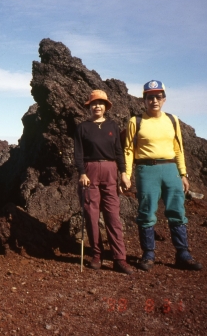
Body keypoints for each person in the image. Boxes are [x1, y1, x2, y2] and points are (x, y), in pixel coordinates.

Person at [123, 80, 202, 271]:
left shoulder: (173, 120)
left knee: (177, 211)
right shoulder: (136, 121)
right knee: (146, 212)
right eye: (150, 97)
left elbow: (178, 148)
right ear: (144, 100)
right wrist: (126, 174)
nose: (154, 101)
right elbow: (128, 150)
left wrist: (183, 173)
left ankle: (183, 254)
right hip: (146, 169)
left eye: (158, 97)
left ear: (164, 99)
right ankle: (148, 254)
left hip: (170, 169)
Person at [74, 90, 133, 275]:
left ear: (106, 106)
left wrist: (123, 173)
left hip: (110, 171)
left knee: (113, 215)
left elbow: (118, 151)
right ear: (89, 106)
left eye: (101, 103)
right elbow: (78, 153)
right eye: (94, 103)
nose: (97, 106)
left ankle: (119, 258)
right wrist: (82, 173)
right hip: (90, 171)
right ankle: (96, 254)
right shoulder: (82, 127)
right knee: (91, 215)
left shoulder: (112, 126)